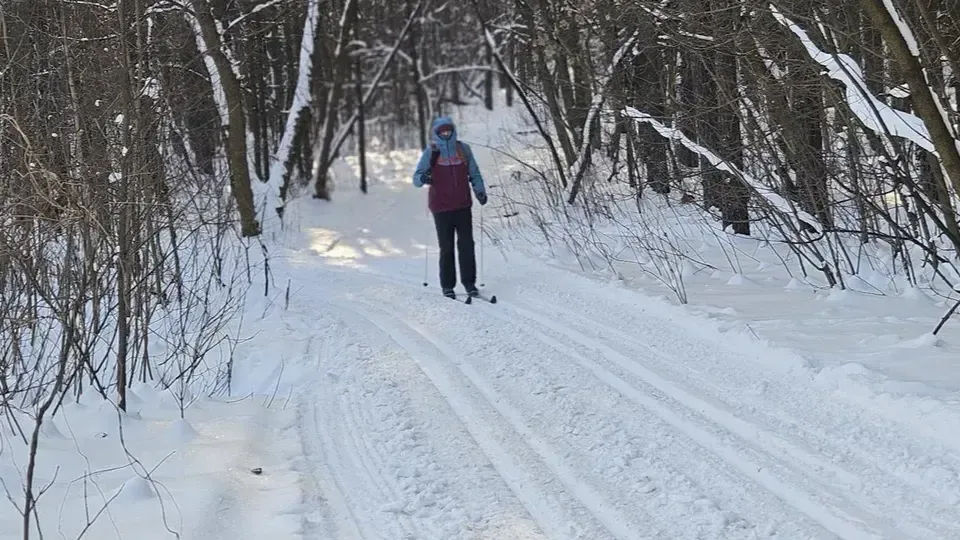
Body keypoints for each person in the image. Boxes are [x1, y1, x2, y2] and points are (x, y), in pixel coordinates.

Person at [413, 116, 488, 299]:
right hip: (441, 207)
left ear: (453, 131)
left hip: (463, 204)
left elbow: (474, 172)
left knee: (467, 244)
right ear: (437, 133)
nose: (446, 134)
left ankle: (469, 283)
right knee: (446, 247)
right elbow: (417, 178)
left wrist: (479, 191)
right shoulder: (432, 152)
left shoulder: (462, 149)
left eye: (449, 131)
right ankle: (447, 285)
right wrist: (424, 178)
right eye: (442, 132)